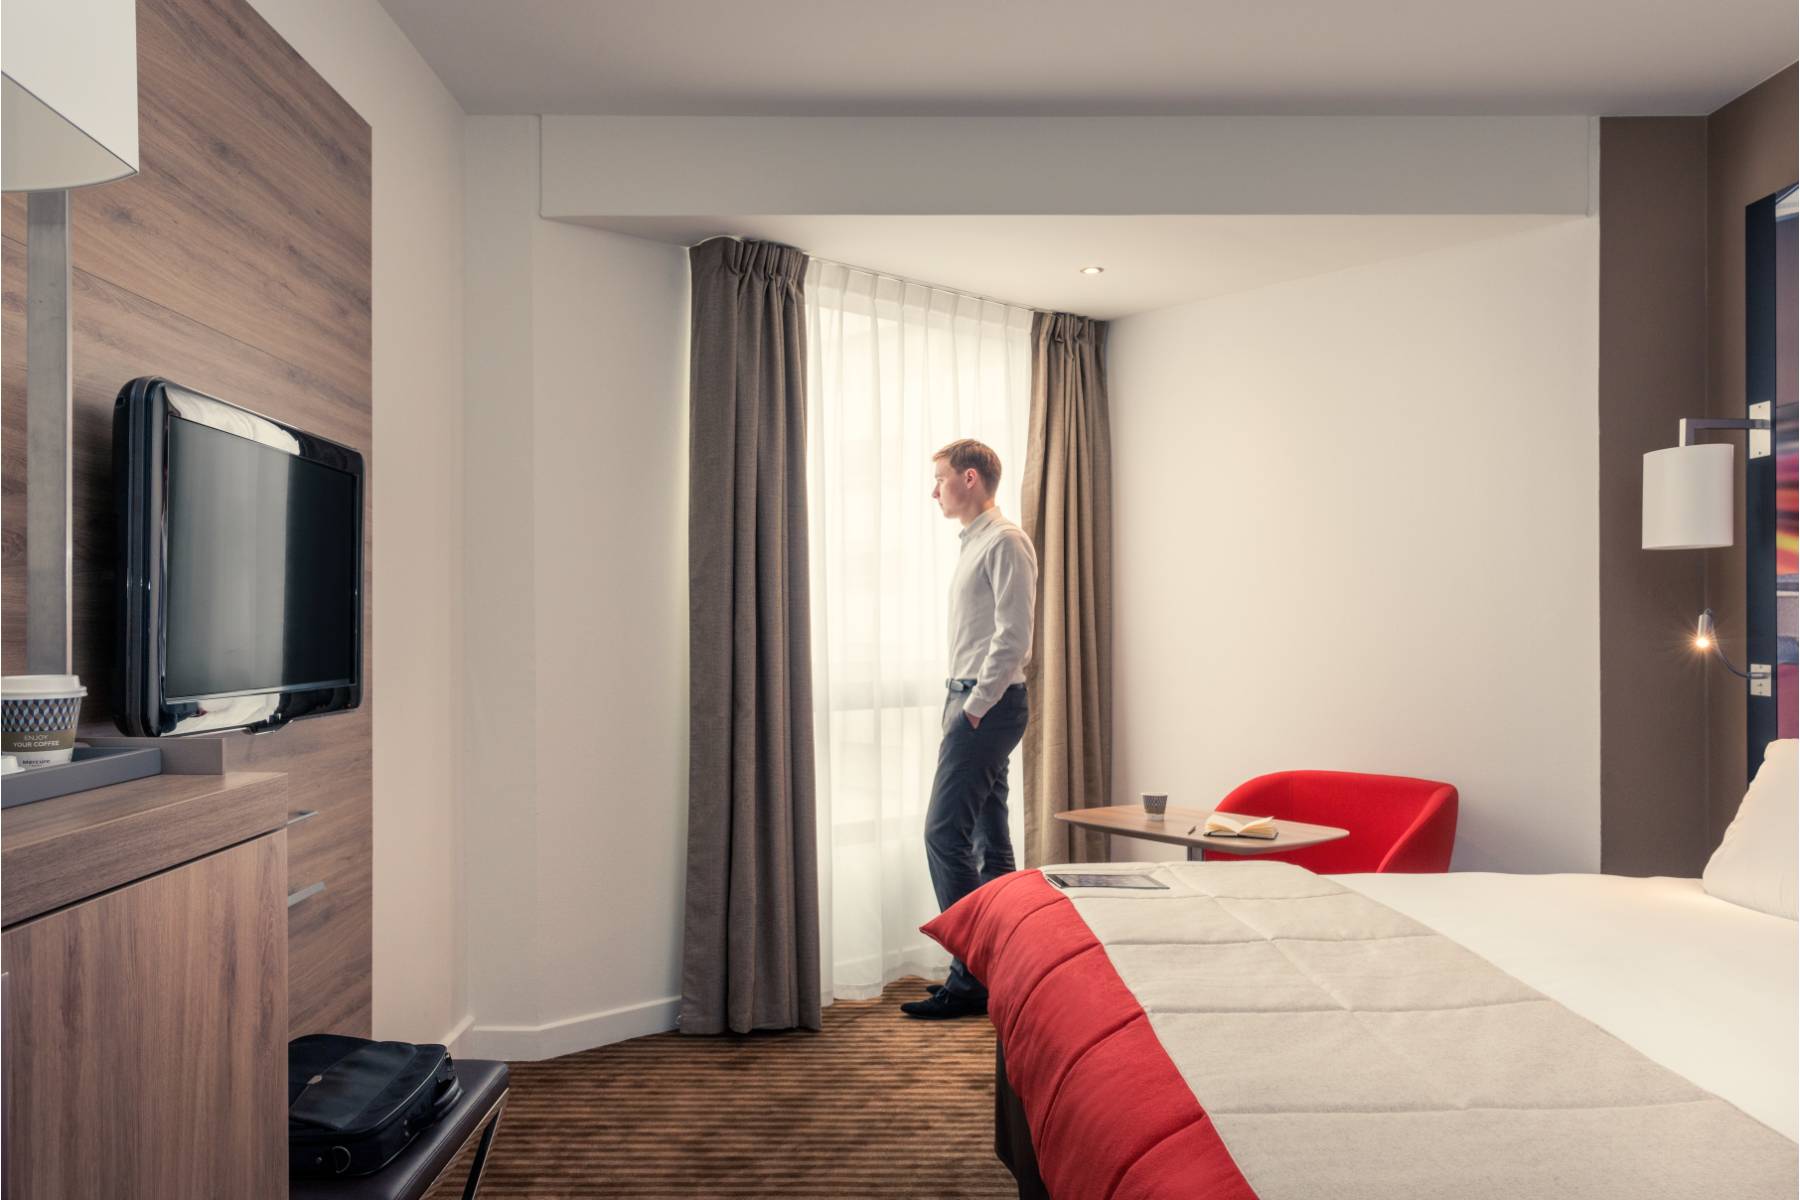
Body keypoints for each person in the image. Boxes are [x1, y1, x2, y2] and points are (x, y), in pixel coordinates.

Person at [901, 439, 1037, 1020]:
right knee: (988, 840)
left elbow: (1014, 637)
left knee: (942, 834)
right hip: (972, 700)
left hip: (988, 704)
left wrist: (975, 707)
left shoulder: (1005, 541)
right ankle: (999, 970)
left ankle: (973, 974)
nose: (934, 490)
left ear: (971, 478)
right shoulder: (976, 544)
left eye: (940, 479)